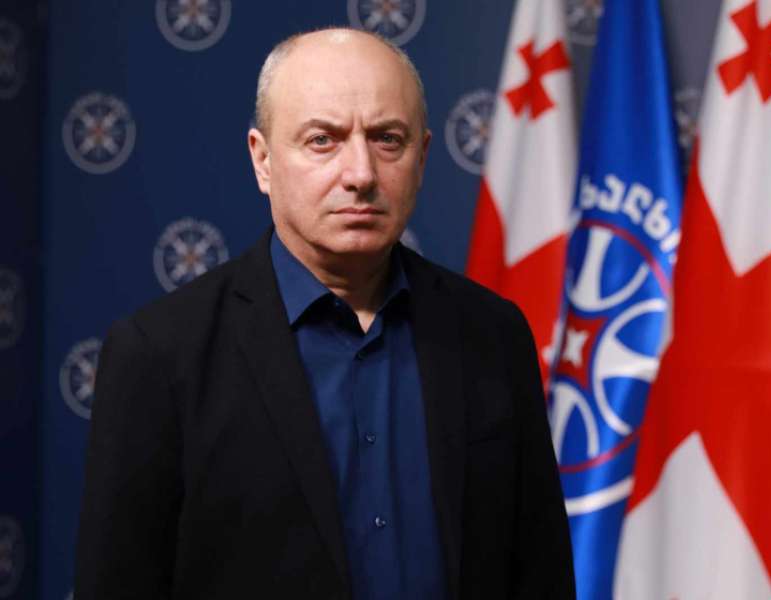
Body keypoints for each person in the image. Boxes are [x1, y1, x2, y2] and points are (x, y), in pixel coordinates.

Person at [75, 28, 574, 600]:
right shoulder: (161, 355)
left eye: (387, 139)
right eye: (322, 141)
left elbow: (540, 574)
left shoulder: (493, 334)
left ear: (422, 157)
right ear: (263, 160)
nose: (361, 174)